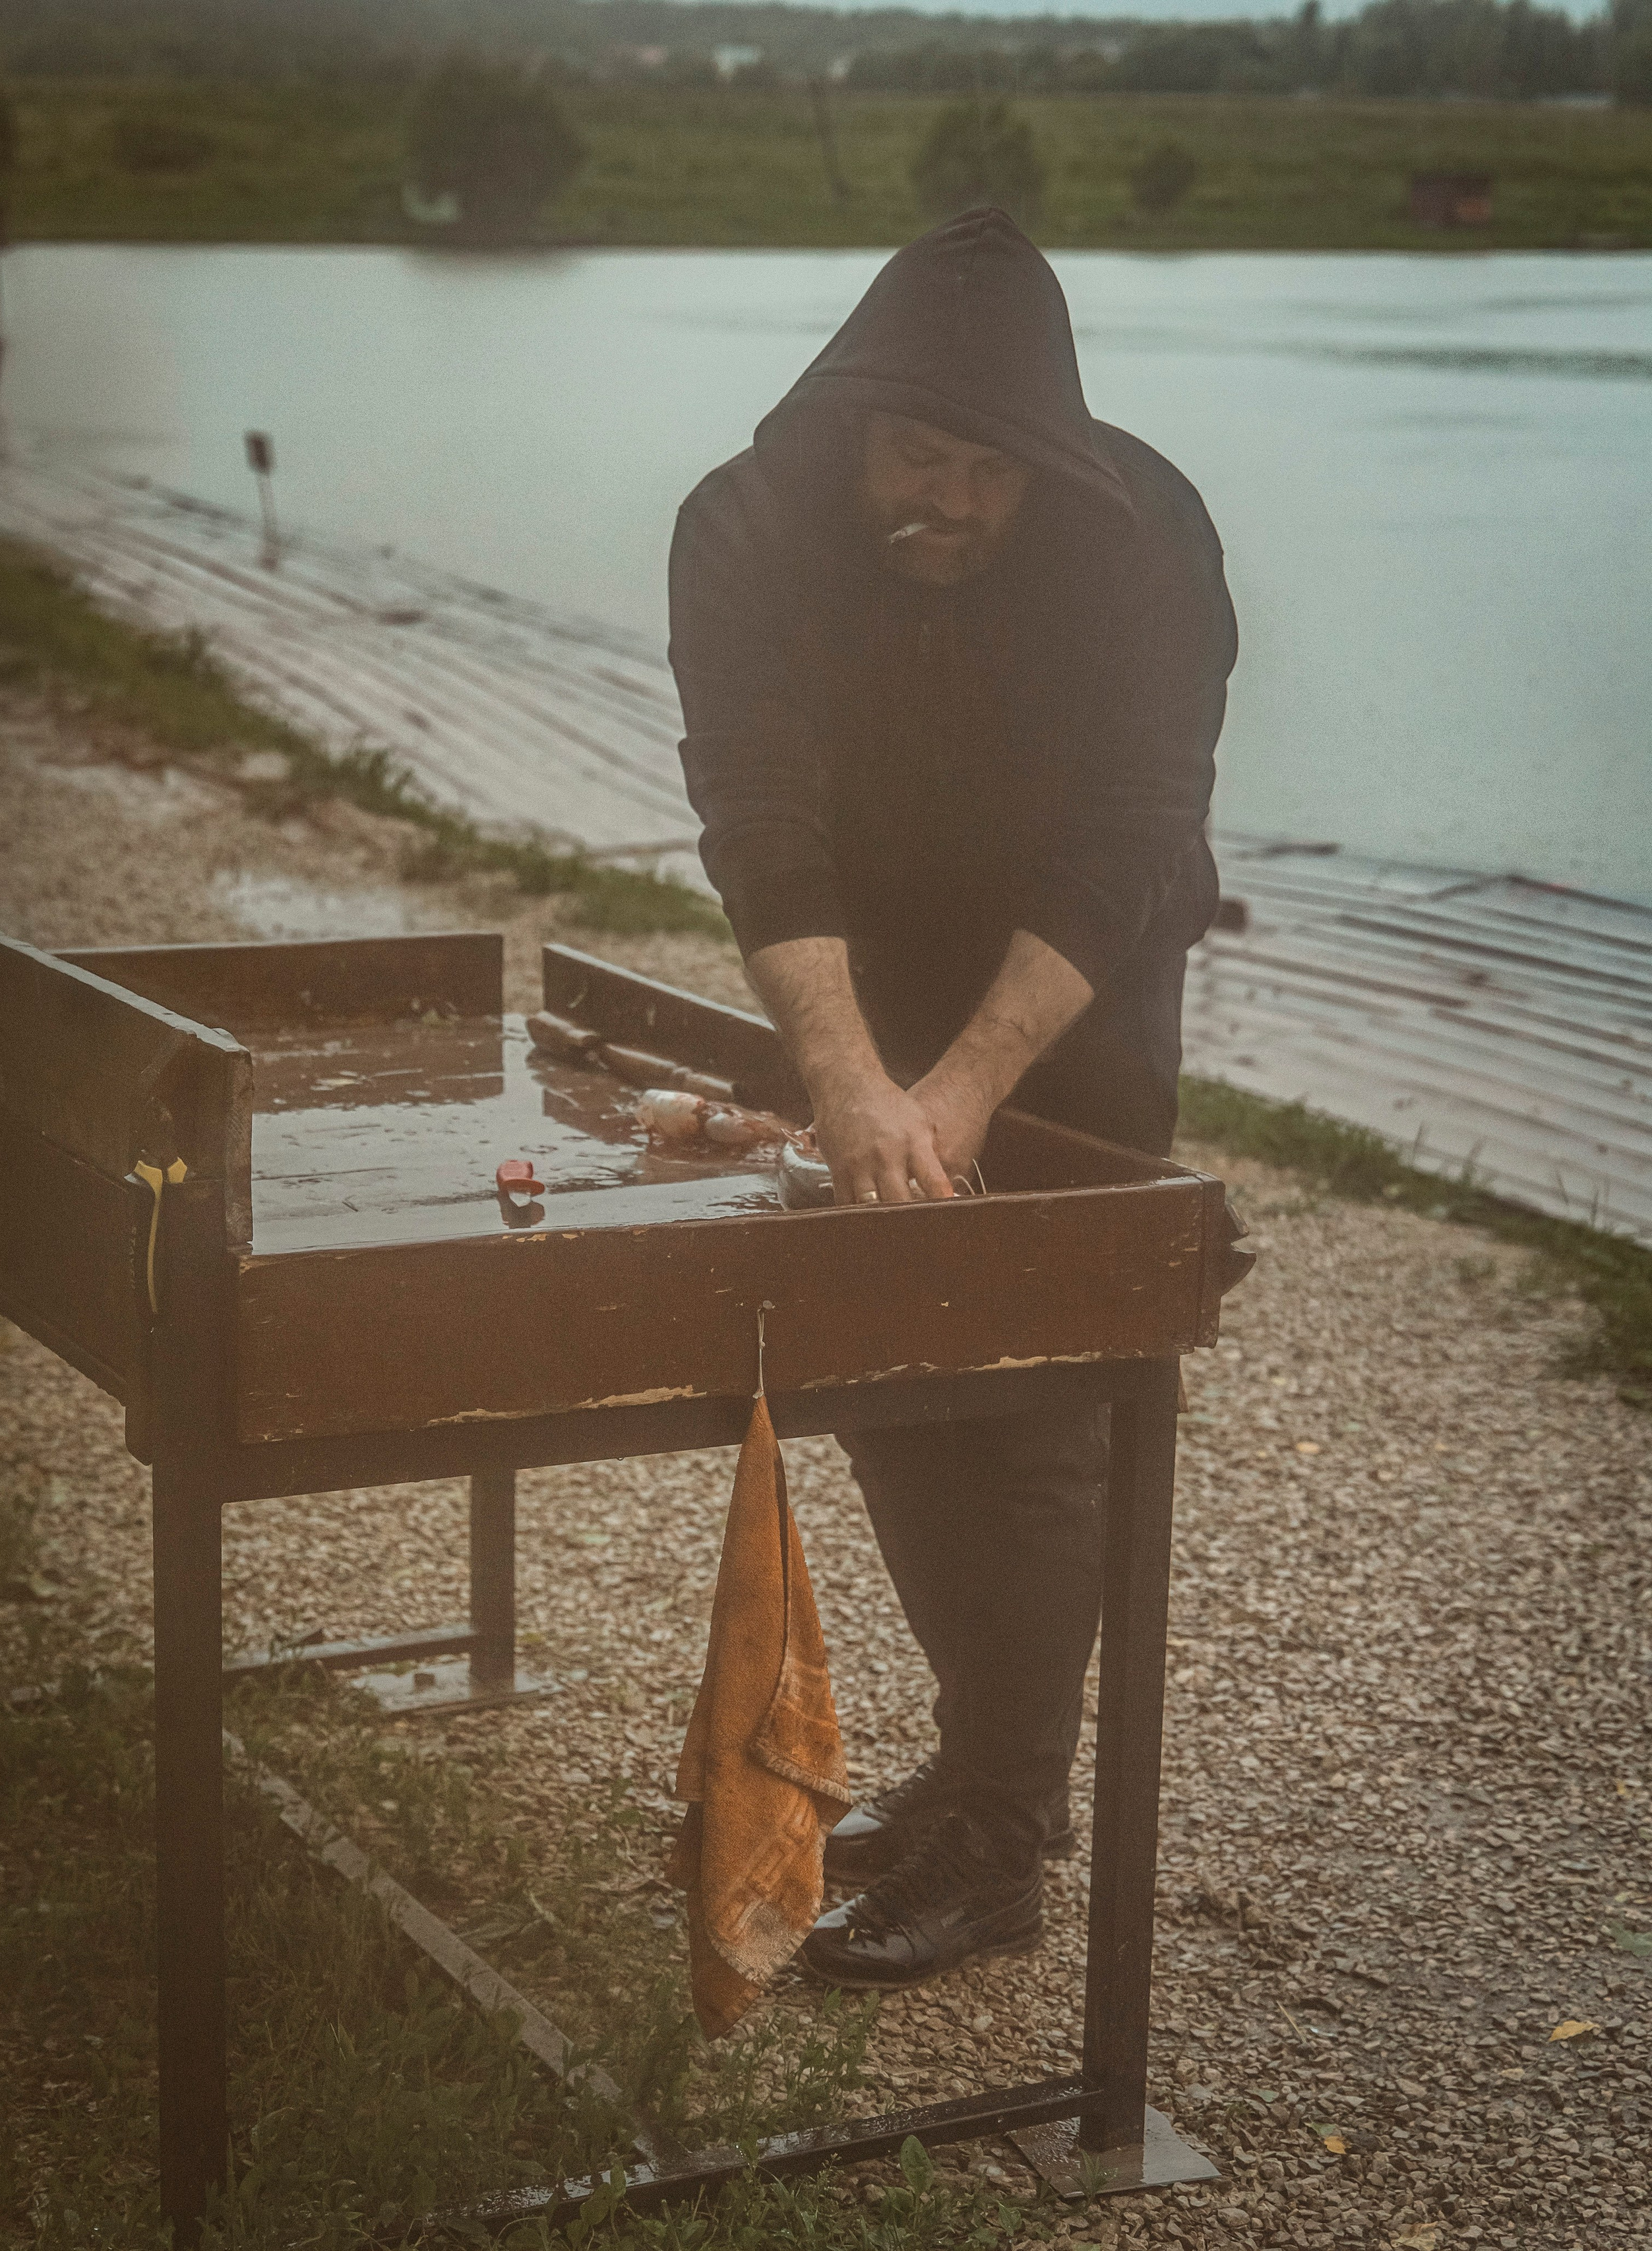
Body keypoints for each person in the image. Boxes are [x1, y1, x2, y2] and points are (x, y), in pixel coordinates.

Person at [668, 208, 1236, 1992]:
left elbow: (1136, 832)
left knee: (1042, 1398)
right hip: (855, 957)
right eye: (922, 456)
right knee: (883, 1361)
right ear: (853, 426)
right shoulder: (741, 527)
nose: (955, 502)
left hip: (1079, 980)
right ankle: (978, 1779)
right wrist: (851, 1080)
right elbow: (757, 815)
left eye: (993, 468)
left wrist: (976, 1081)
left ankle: (1003, 1843)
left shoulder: (1142, 540)